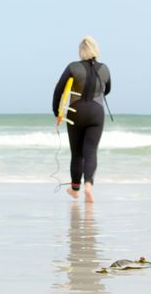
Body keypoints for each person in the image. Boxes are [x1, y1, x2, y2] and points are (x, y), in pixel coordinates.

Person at [52, 36, 110, 203]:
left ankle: (75, 188)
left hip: (75, 111)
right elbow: (108, 89)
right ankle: (89, 186)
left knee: (77, 153)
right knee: (91, 151)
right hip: (96, 112)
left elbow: (59, 91)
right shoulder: (105, 69)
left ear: (81, 51)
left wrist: (57, 112)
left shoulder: (73, 67)